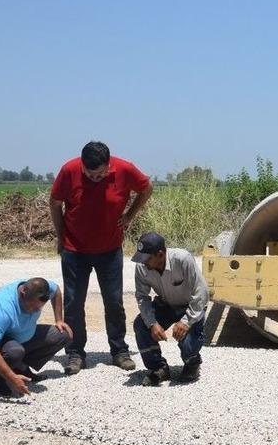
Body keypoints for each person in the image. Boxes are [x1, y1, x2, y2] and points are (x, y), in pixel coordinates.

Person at [50, 141, 153, 375]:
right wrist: (60, 236)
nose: (95, 178)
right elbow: (54, 203)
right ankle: (75, 353)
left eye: (100, 174)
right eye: (90, 175)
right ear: (82, 165)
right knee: (74, 303)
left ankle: (119, 351)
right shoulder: (69, 170)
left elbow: (147, 189)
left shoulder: (125, 169)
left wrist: (129, 215)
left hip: (110, 250)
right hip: (74, 250)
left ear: (109, 164)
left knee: (114, 301)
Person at [0, 278, 72, 396]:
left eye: (38, 308)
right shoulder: (2, 308)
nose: (35, 311)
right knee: (14, 351)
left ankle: (20, 368)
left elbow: (56, 290)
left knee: (62, 334)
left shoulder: (42, 289)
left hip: (18, 335)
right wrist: (11, 377)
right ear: (23, 292)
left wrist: (59, 320)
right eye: (32, 307)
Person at [131, 232, 208, 385]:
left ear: (160, 254)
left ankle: (192, 363)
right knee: (141, 325)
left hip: (190, 307)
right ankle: (158, 368)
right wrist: (152, 323)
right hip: (165, 305)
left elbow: (201, 293)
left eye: (147, 258)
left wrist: (186, 322)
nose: (143, 262)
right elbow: (142, 297)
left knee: (188, 344)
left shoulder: (183, 259)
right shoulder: (141, 266)